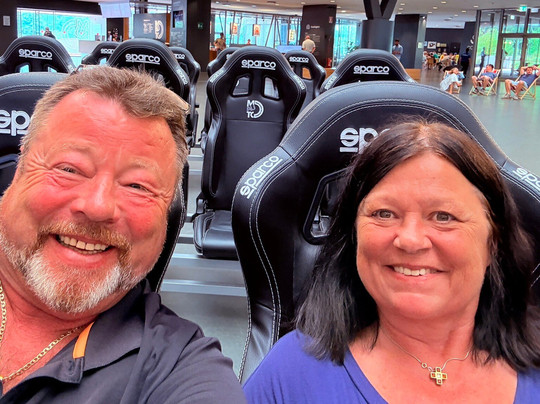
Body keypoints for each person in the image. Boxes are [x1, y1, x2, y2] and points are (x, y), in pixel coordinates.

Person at [243, 120, 540, 403]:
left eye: (443, 216)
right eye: (384, 214)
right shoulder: (290, 377)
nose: (410, 240)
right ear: (354, 236)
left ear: (494, 241)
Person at [0, 66, 246, 403]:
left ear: (168, 216)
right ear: (17, 172)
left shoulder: (180, 371)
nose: (98, 206)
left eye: (137, 186)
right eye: (69, 169)